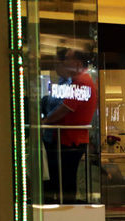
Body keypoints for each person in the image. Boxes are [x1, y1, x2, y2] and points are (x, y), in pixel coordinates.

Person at [42, 47, 97, 203]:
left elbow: (65, 109)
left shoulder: (81, 82)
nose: (64, 62)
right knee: (63, 178)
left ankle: (66, 209)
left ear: (77, 62)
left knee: (65, 179)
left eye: (67, 59)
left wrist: (46, 121)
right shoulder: (78, 82)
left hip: (70, 140)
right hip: (69, 139)